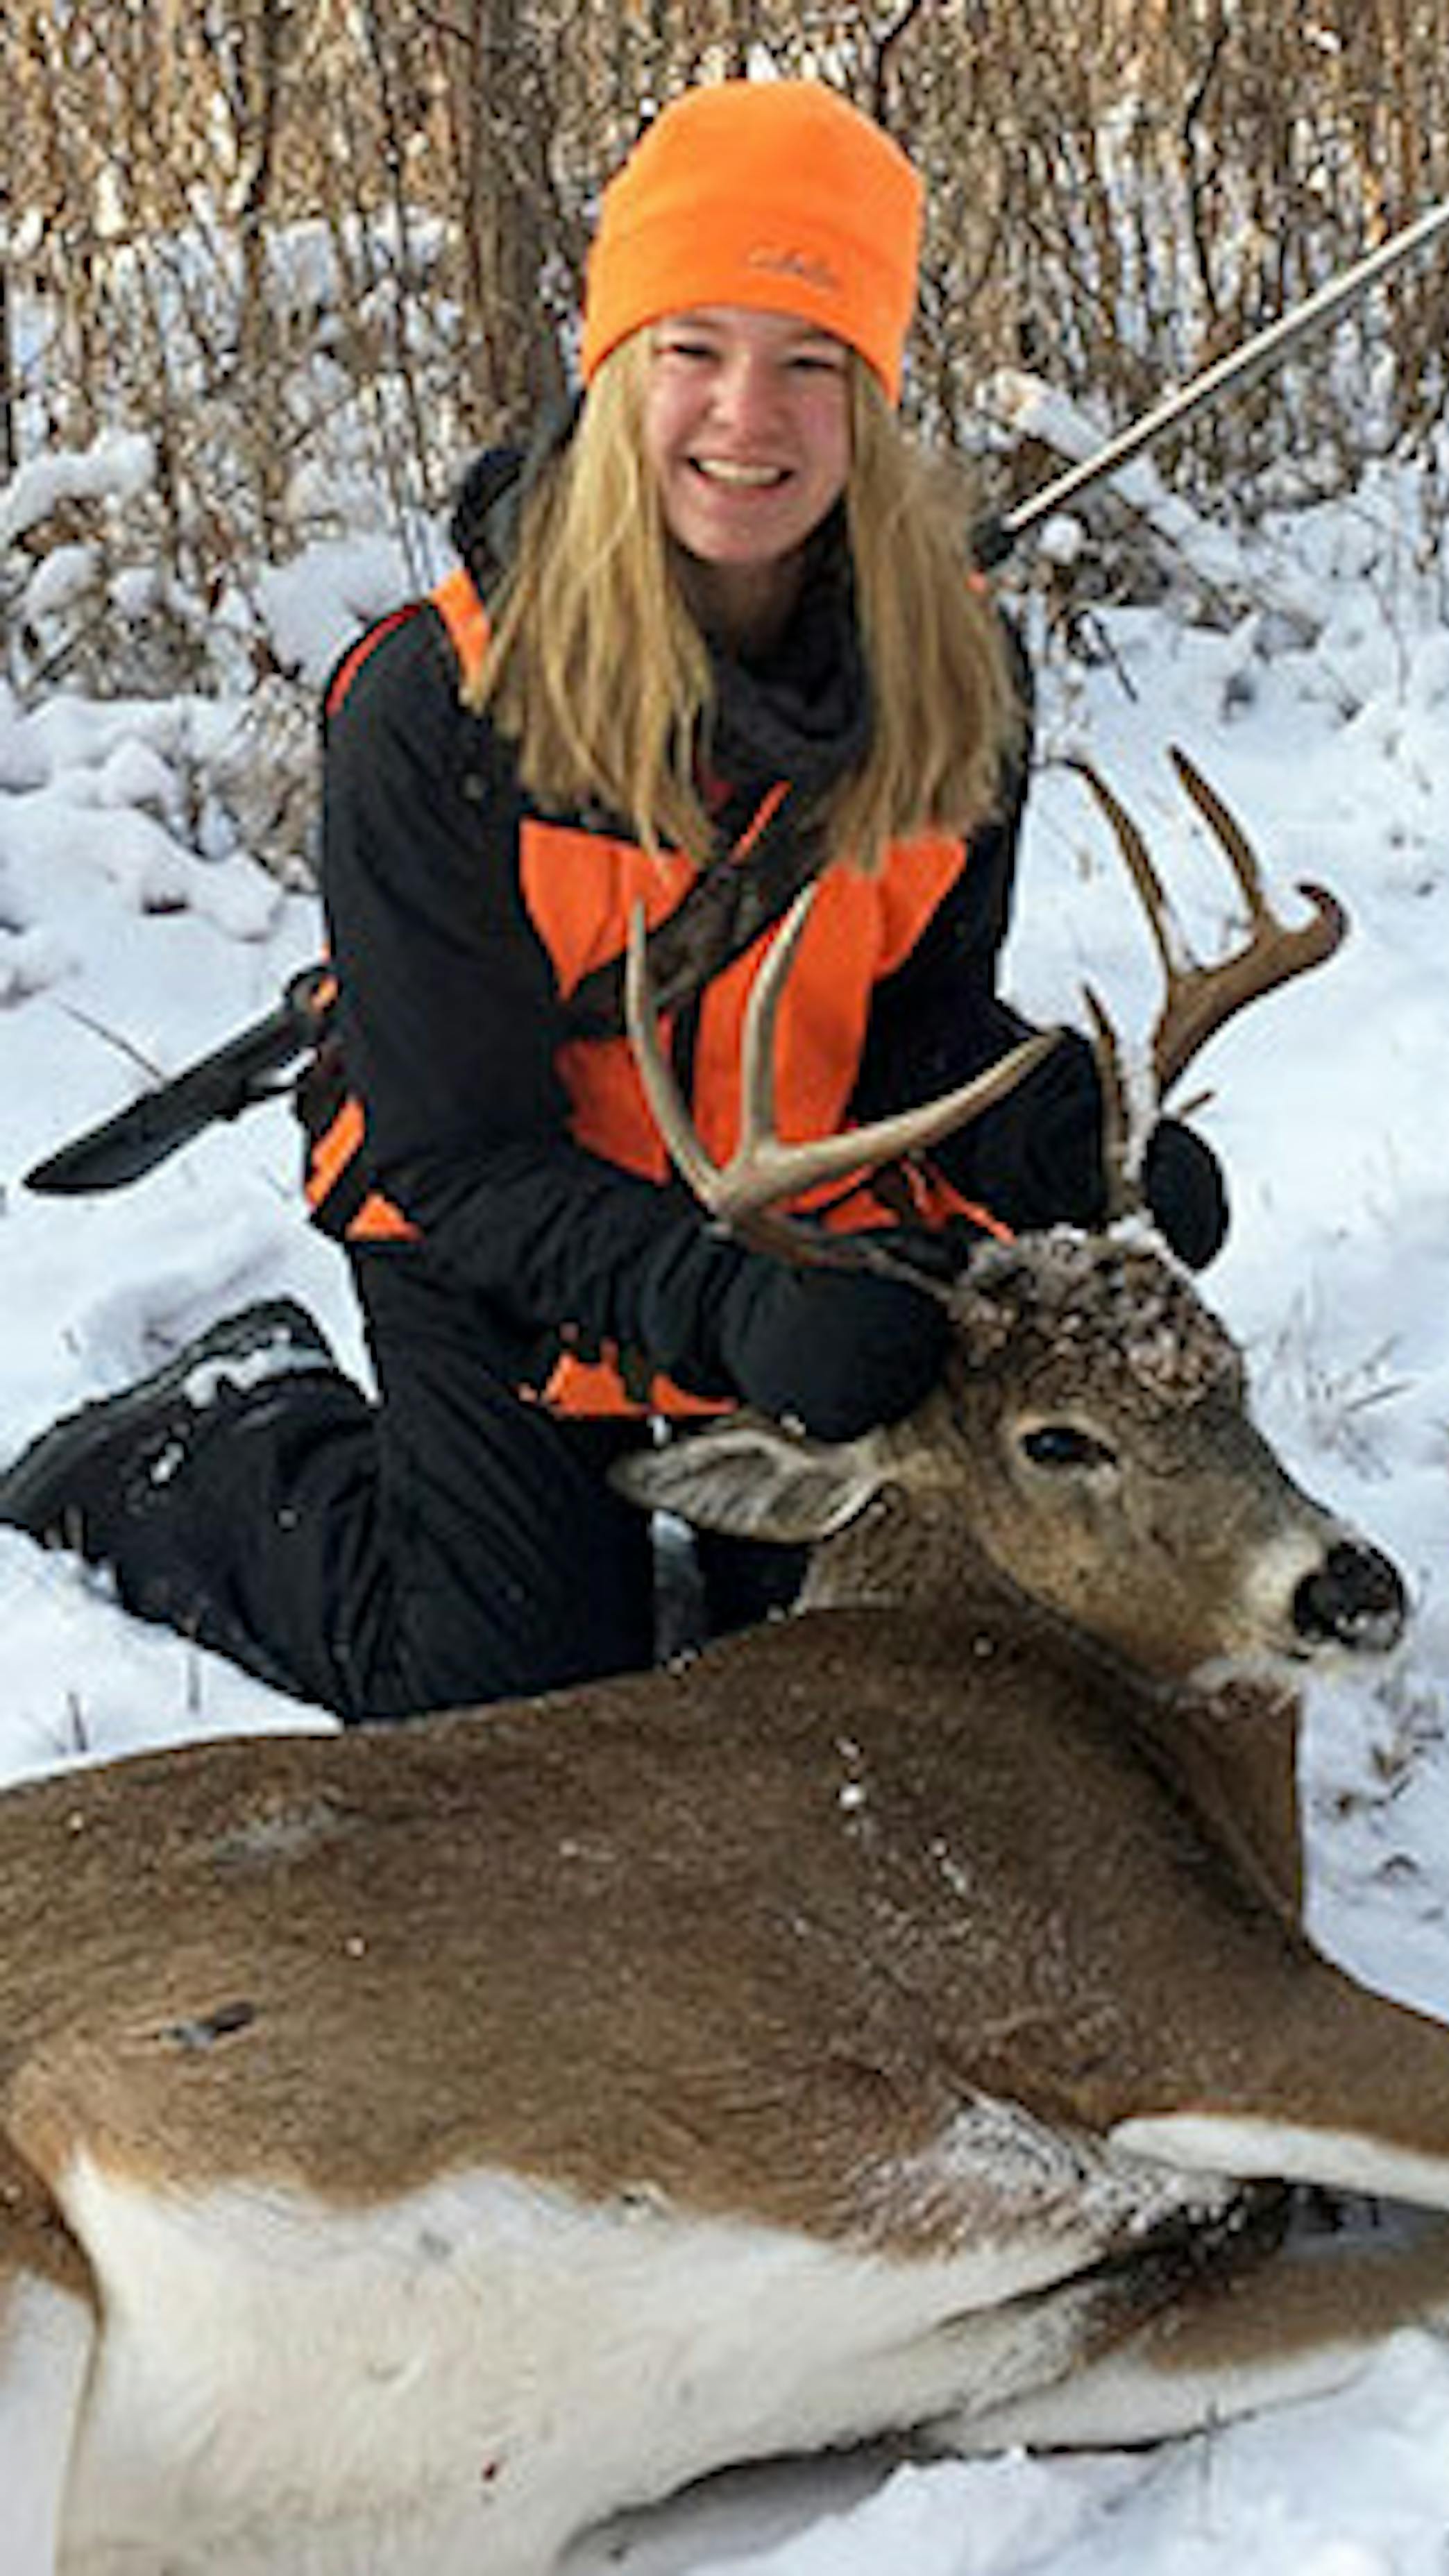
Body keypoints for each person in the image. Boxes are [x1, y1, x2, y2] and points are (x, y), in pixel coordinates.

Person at [0, 79, 1226, 1722]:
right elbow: (452, 1151)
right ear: (613, 364)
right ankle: (217, 1439)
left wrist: (1051, 1141)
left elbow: (916, 1022)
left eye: (811, 361)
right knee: (513, 1694)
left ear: (870, 397)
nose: (749, 415)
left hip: (798, 1226)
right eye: (692, 349)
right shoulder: (434, 707)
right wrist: (719, 1307)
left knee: (868, 1659)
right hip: (500, 1224)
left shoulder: (956, 668)